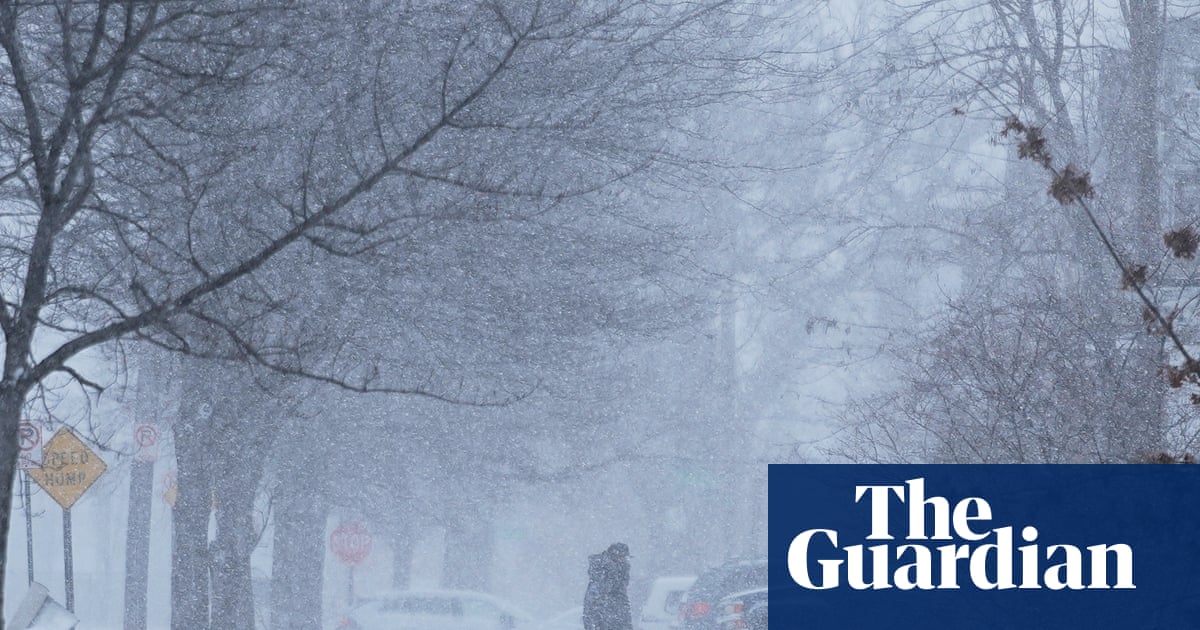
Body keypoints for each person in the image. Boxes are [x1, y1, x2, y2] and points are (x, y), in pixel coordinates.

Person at [583, 542, 633, 630]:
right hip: (601, 618)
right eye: (621, 557)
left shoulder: (622, 569)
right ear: (614, 556)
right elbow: (595, 600)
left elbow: (622, 598)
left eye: (625, 558)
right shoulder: (599, 570)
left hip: (616, 618)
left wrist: (627, 624)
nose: (623, 560)